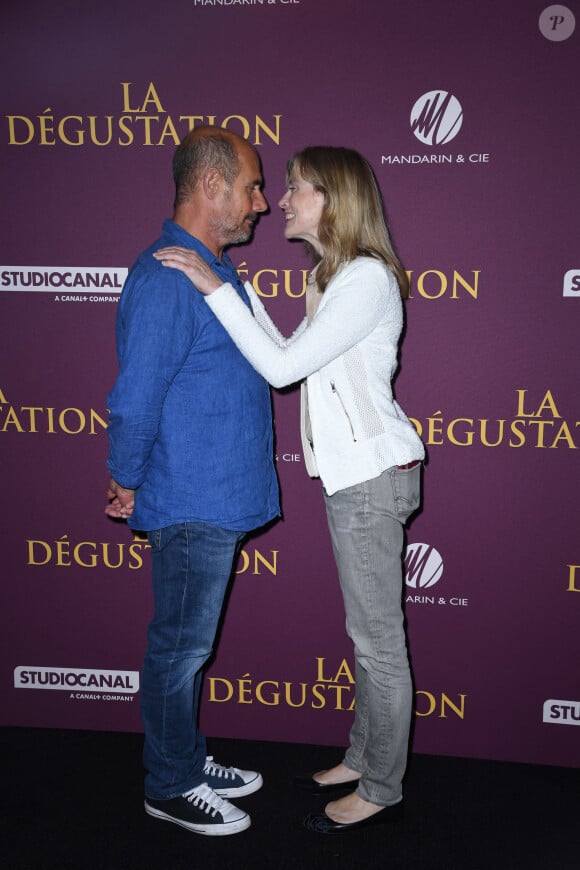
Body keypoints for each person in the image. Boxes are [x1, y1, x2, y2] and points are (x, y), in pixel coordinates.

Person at [153, 145, 425, 834]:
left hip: (369, 478)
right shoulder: (338, 280)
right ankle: (364, 757)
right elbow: (287, 354)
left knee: (378, 643)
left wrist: (215, 290)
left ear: (334, 199)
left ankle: (383, 785)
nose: (281, 200)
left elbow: (279, 370)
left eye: (299, 187)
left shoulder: (364, 279)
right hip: (357, 478)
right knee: (367, 635)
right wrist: (236, 292)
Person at [105, 126, 280, 836]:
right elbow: (136, 394)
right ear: (211, 186)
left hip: (214, 494)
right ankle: (170, 783)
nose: (262, 204)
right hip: (189, 500)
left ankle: (186, 757)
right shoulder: (166, 275)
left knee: (187, 649)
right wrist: (125, 476)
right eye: (250, 186)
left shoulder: (206, 267)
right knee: (179, 651)